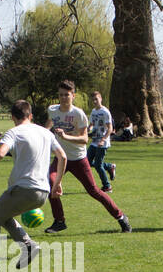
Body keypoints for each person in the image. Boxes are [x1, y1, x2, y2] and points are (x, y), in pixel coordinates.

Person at [0, 99, 66, 272]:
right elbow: (63, 157)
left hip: (23, 189)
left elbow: (0, 153)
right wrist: (56, 184)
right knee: (3, 216)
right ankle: (28, 246)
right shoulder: (45, 132)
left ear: (12, 117)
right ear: (31, 115)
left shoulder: (14, 132)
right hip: (43, 192)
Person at [43, 80, 131, 234]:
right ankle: (59, 221)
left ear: (73, 96)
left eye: (67, 95)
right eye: (61, 95)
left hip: (78, 159)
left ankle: (121, 217)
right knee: (51, 184)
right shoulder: (52, 110)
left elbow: (84, 139)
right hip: (60, 158)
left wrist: (65, 137)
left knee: (94, 191)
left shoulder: (78, 114)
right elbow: (47, 127)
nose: (63, 98)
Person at [87, 90, 117, 192]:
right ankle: (109, 166)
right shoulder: (93, 111)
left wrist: (103, 139)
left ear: (101, 99)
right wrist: (87, 130)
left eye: (96, 99)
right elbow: (91, 124)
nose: (95, 101)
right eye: (93, 100)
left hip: (102, 143)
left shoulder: (105, 112)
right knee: (87, 162)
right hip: (94, 141)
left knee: (98, 166)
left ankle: (107, 186)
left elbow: (110, 128)